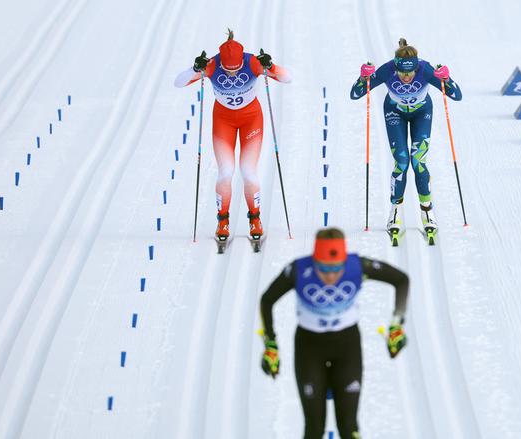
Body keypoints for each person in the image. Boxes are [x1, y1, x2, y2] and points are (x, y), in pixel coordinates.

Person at [259, 228, 409, 439]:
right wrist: (271, 343)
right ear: (314, 261)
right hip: (309, 349)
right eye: (323, 268)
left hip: (347, 348)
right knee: (313, 428)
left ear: (344, 261)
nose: (330, 276)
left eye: (337, 268)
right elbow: (267, 300)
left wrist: (396, 325)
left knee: (349, 427)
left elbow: (401, 280)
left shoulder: (357, 266)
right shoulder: (298, 270)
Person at [174, 29, 291, 242]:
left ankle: (255, 219)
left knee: (248, 171)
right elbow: (178, 82)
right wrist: (195, 68)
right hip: (223, 121)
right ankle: (222, 221)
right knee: (226, 172)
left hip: (251, 120)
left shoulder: (253, 62)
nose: (232, 74)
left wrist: (271, 66)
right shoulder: (211, 64)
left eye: (236, 70)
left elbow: (287, 78)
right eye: (228, 71)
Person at [350, 38, 462, 237]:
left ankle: (427, 212)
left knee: (418, 161)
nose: (406, 77)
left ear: (416, 68)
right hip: (395, 112)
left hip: (421, 113)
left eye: (410, 73)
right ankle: (394, 212)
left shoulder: (426, 70)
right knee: (401, 161)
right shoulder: (387, 70)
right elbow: (356, 94)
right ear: (396, 68)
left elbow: (456, 95)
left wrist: (447, 79)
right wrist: (362, 78)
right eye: (402, 73)